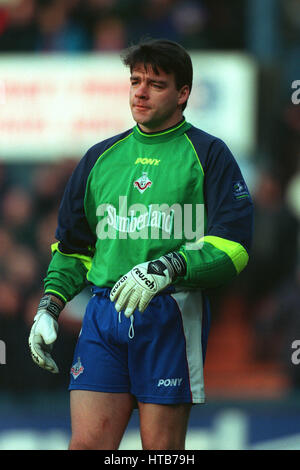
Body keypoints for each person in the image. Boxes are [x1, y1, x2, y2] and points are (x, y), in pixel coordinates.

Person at [28, 38, 253, 450]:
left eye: (156, 83)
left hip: (169, 316)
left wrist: (167, 267)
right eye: (135, 81)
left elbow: (234, 248)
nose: (141, 92)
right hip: (102, 313)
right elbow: (74, 248)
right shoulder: (99, 158)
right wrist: (50, 306)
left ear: (183, 93)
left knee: (161, 452)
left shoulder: (210, 155)